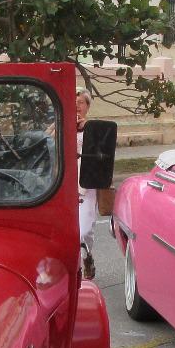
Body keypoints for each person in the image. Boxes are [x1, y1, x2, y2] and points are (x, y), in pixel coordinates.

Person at [75, 89, 97, 278]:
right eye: (74, 102)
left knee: (85, 230)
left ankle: (87, 255)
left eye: (81, 102)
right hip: (65, 184)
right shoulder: (62, 124)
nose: (77, 106)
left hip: (86, 184)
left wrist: (88, 127)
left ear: (87, 106)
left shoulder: (92, 127)